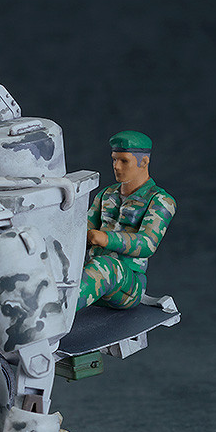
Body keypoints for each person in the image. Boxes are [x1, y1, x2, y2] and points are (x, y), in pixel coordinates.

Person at [77, 130, 176, 311]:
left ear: (143, 162)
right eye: (114, 159)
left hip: (127, 287)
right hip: (90, 278)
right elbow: (81, 231)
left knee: (106, 267)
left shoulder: (160, 200)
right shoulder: (105, 195)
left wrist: (104, 238)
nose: (116, 166)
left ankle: (53, 314)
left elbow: (147, 244)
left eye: (124, 161)